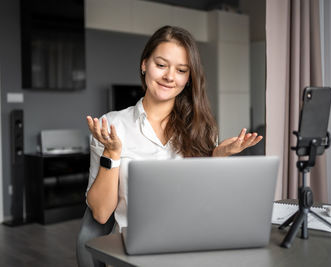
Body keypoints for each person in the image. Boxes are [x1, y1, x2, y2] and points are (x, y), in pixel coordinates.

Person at [86, 25, 263, 230]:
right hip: (133, 246)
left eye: (181, 70)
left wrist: (217, 158)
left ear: (188, 78)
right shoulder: (111, 126)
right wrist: (112, 153)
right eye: (161, 65)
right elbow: (100, 213)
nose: (170, 77)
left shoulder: (202, 128)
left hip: (192, 236)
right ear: (144, 65)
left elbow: (206, 202)